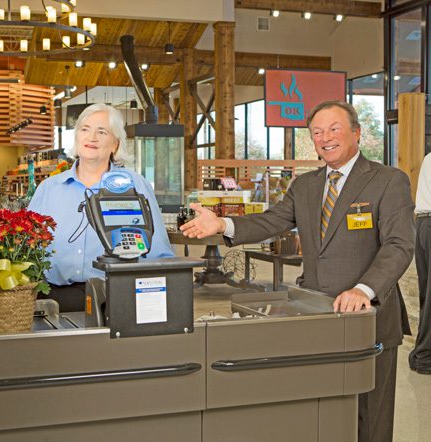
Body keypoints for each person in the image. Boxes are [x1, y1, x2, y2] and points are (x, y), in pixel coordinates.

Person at [180, 100, 414, 442]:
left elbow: (398, 245)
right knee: (322, 412)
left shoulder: (388, 181)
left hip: (370, 318)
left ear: (356, 133)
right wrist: (222, 222)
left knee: (370, 418)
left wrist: (364, 289)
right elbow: (271, 221)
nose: (325, 138)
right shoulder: (305, 186)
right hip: (316, 315)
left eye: (334, 129)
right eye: (317, 132)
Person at [28, 103, 174, 311]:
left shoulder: (134, 185)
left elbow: (159, 253)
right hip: (52, 299)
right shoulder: (49, 188)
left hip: (116, 299)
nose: (91, 137)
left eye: (102, 131)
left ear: (115, 144)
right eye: (85, 129)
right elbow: (26, 249)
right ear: (77, 137)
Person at [410, 152, 431, 374]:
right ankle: (425, 357)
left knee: (427, 293)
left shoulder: (428, 158)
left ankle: (422, 355)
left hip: (424, 225)